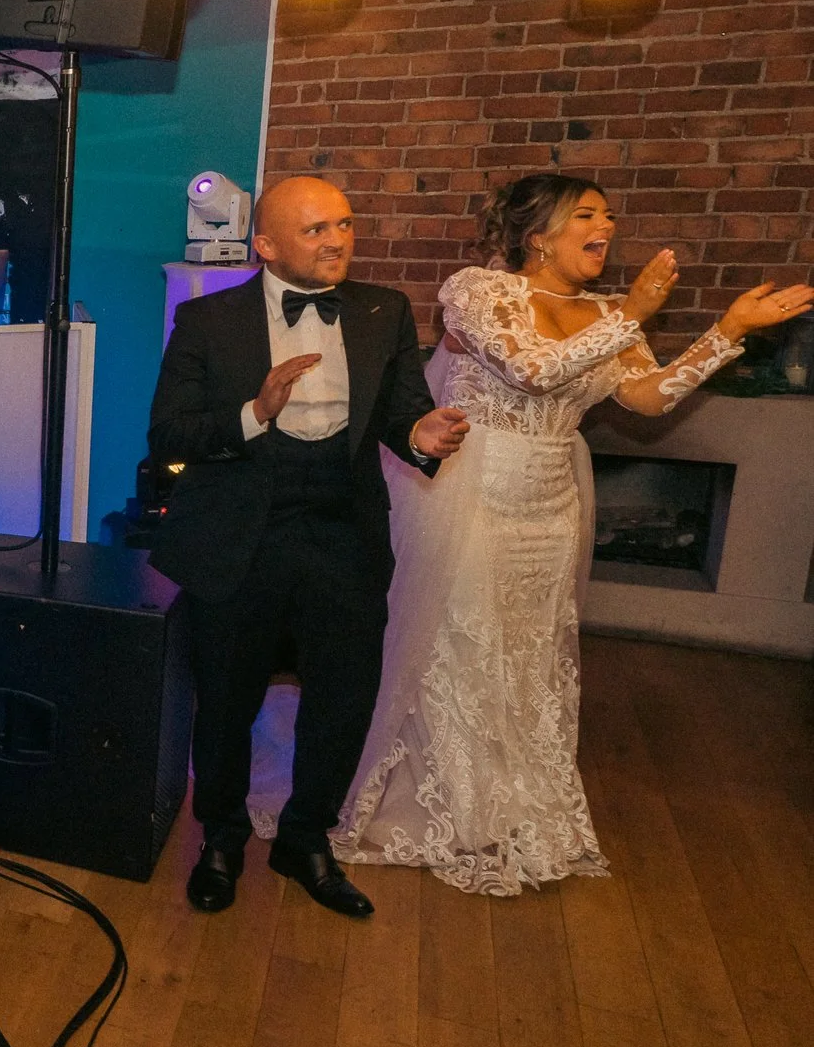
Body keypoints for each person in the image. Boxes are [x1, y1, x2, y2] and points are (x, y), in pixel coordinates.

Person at [334, 175, 813, 894]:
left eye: (610, 214)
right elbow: (527, 371)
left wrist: (729, 332)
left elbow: (648, 399)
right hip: (472, 485)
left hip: (553, 497)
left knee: (529, 648)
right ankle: (445, 804)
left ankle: (515, 801)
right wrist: (633, 314)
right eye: (586, 214)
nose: (607, 226)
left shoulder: (603, 312)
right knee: (459, 641)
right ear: (538, 235)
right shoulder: (480, 292)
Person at [147, 176, 470, 920]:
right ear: (265, 245)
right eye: (317, 229)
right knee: (226, 701)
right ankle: (222, 840)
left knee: (342, 698)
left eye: (346, 225)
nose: (338, 241)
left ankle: (305, 838)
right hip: (239, 534)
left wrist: (419, 438)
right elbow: (168, 435)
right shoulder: (206, 320)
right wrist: (254, 412)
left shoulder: (382, 310)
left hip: (342, 532)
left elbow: (403, 413)